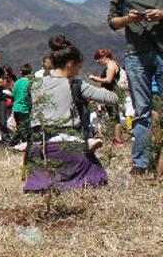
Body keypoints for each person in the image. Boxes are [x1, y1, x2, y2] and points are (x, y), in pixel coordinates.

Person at [23, 35, 118, 192]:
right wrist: (114, 84)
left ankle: (43, 182)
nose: (79, 70)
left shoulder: (34, 85)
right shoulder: (76, 85)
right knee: (98, 176)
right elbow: (112, 99)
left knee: (43, 181)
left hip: (40, 151)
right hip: (68, 149)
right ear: (70, 64)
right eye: (79, 67)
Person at [108, 0, 163, 174]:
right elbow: (112, 22)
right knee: (141, 111)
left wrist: (161, 14)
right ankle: (140, 163)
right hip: (135, 54)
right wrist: (128, 19)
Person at [88, 49, 126, 147]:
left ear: (103, 57)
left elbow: (108, 80)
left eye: (98, 59)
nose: (97, 62)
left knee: (114, 117)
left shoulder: (111, 65)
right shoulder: (114, 64)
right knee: (113, 117)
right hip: (110, 94)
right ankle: (117, 139)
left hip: (112, 94)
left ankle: (119, 141)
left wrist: (95, 78)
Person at [10, 64, 34, 147]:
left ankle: (17, 144)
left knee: (20, 128)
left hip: (16, 108)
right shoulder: (30, 83)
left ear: (21, 72)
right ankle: (13, 143)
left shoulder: (17, 83)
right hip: (25, 109)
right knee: (24, 129)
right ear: (30, 72)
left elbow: (12, 95)